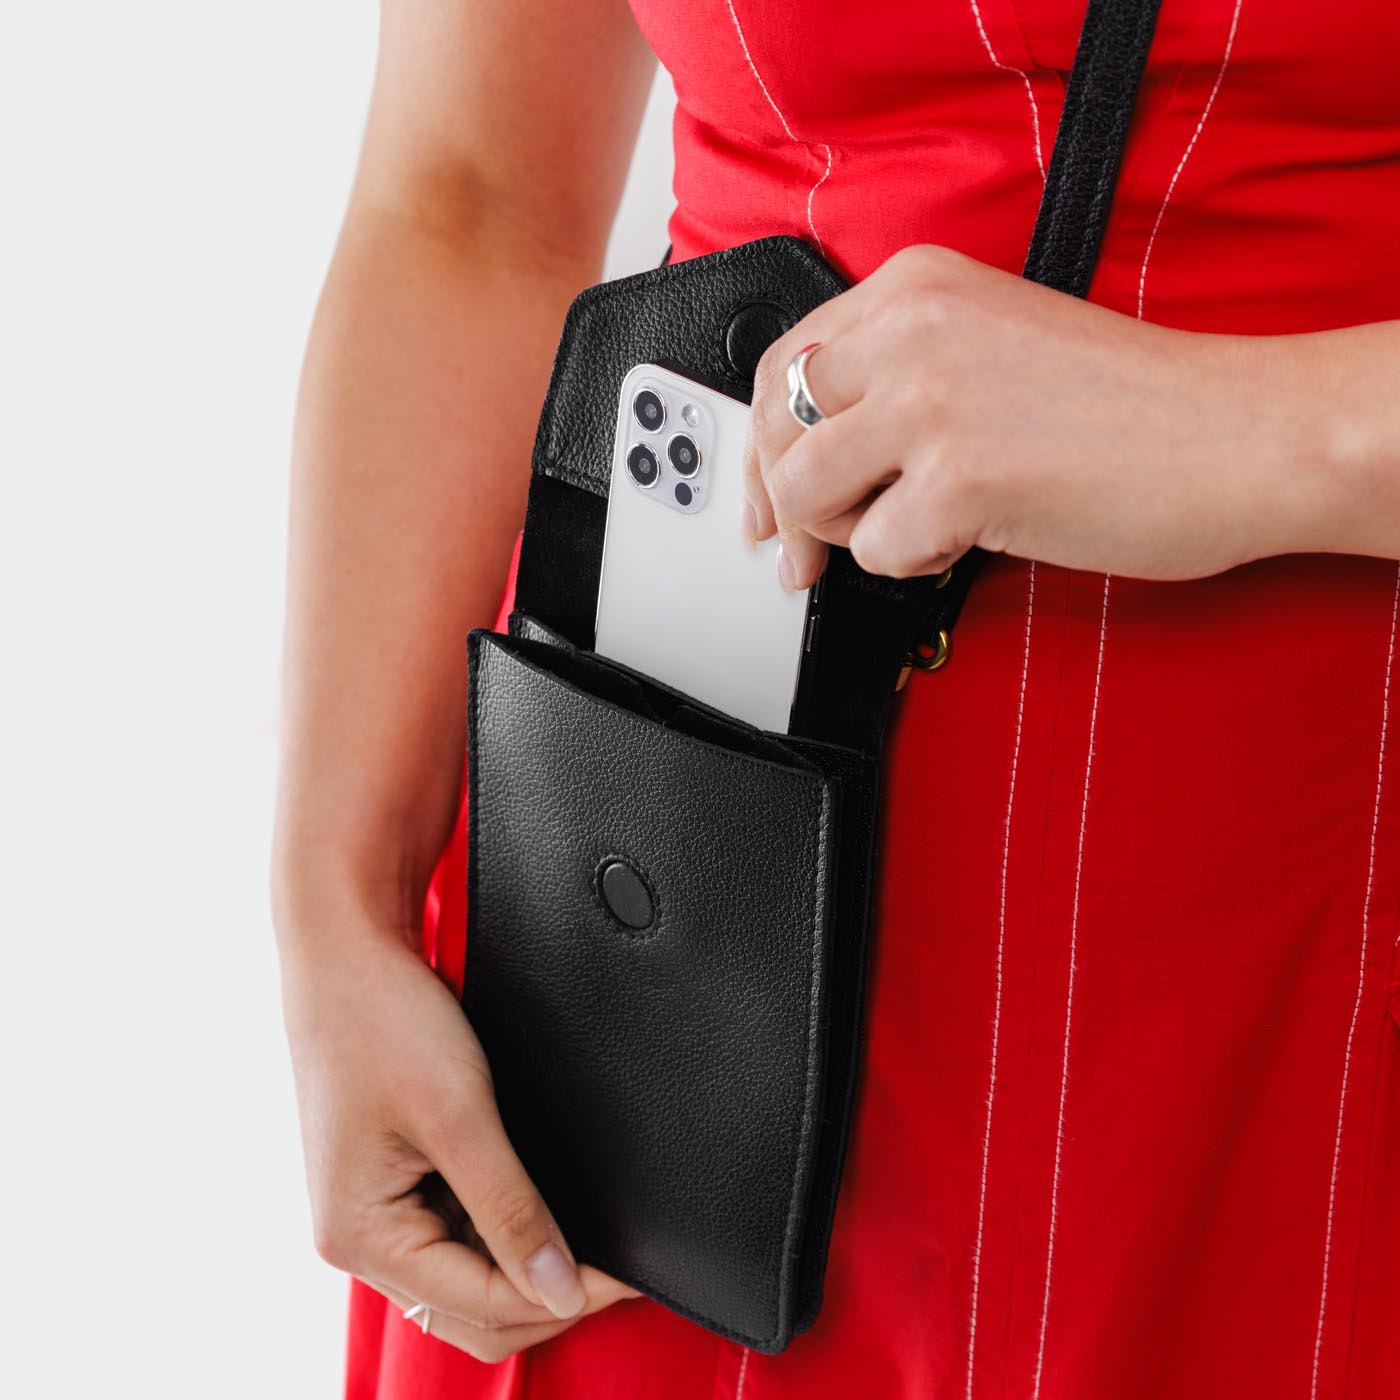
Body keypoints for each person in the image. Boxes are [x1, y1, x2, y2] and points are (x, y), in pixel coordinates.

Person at [269, 1, 1400, 1396]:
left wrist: (1271, 431)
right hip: (661, 974)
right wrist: (340, 904)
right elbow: (471, 200)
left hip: (1318, 971)